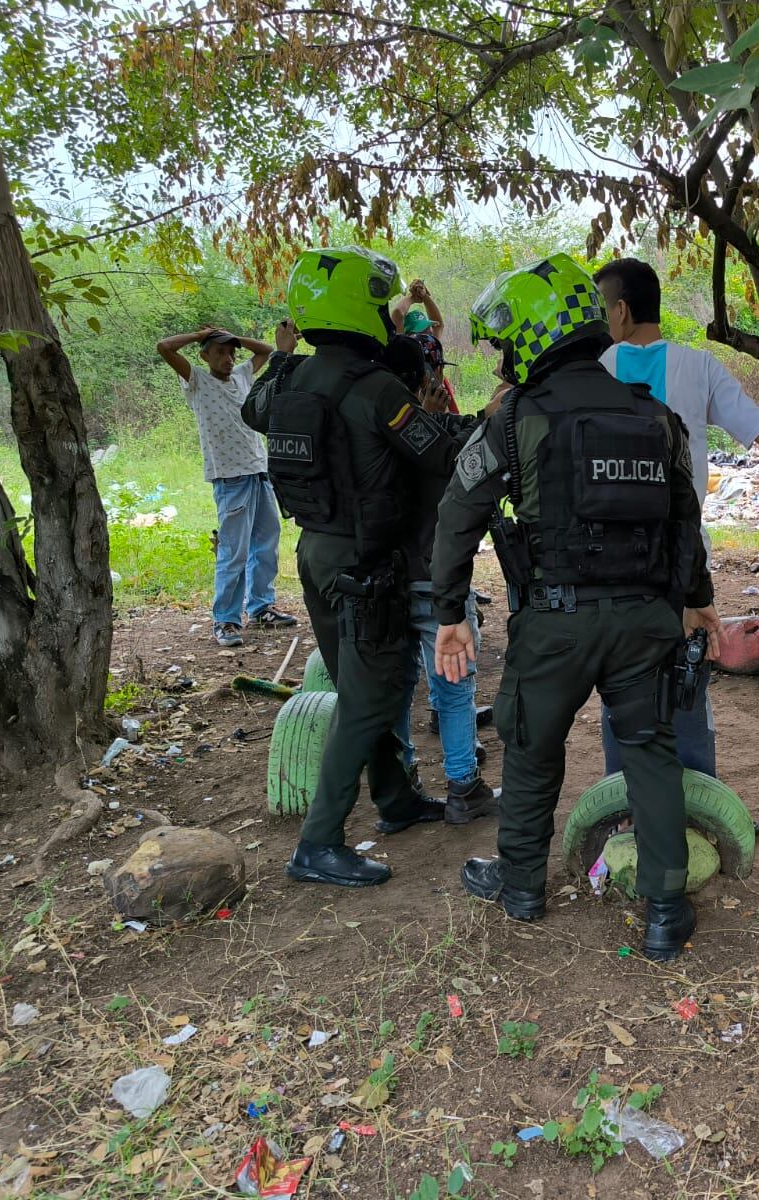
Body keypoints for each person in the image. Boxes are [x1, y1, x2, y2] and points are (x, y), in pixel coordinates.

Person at [430, 253, 721, 962]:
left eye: (504, 346)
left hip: (555, 623)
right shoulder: (656, 417)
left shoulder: (516, 419)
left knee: (531, 749)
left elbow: (457, 515)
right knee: (650, 753)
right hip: (644, 622)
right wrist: (699, 602)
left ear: (530, 338)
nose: (501, 361)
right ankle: (663, 909)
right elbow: (686, 519)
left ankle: (524, 886)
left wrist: (447, 613)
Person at [241, 247, 467, 889]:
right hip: (366, 561)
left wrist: (282, 355)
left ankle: (394, 799)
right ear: (361, 311)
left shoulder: (290, 379)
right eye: (381, 309)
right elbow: (431, 451)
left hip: (315, 553)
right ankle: (318, 844)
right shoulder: (375, 389)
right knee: (368, 699)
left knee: (366, 686)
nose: (390, 323)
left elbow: (251, 410)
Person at [591, 256, 759, 778]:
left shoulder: (592, 369)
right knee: (687, 665)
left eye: (599, 309)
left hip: (607, 554)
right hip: (681, 551)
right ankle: (698, 791)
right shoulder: (698, 367)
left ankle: (624, 797)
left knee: (620, 676)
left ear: (621, 311)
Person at [378, 333, 500, 820]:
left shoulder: (369, 428)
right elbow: (464, 451)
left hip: (385, 577)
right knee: (453, 685)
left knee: (401, 685)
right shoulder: (443, 433)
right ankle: (462, 785)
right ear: (426, 379)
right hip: (436, 577)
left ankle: (403, 780)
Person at [156, 324, 298, 647]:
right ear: (205, 355)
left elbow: (265, 350)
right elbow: (164, 347)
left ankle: (261, 607)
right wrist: (198, 335)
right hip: (229, 477)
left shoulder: (242, 376)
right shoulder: (197, 380)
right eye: (220, 352)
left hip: (259, 471)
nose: (229, 358)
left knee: (267, 541)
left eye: (231, 352)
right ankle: (226, 620)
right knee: (235, 550)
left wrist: (231, 337)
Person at [396, 280, 459, 413]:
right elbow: (398, 315)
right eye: (421, 331)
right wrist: (412, 298)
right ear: (407, 334)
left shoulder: (431, 345)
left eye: (428, 329)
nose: (429, 333)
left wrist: (424, 296)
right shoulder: (406, 351)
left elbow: (439, 324)